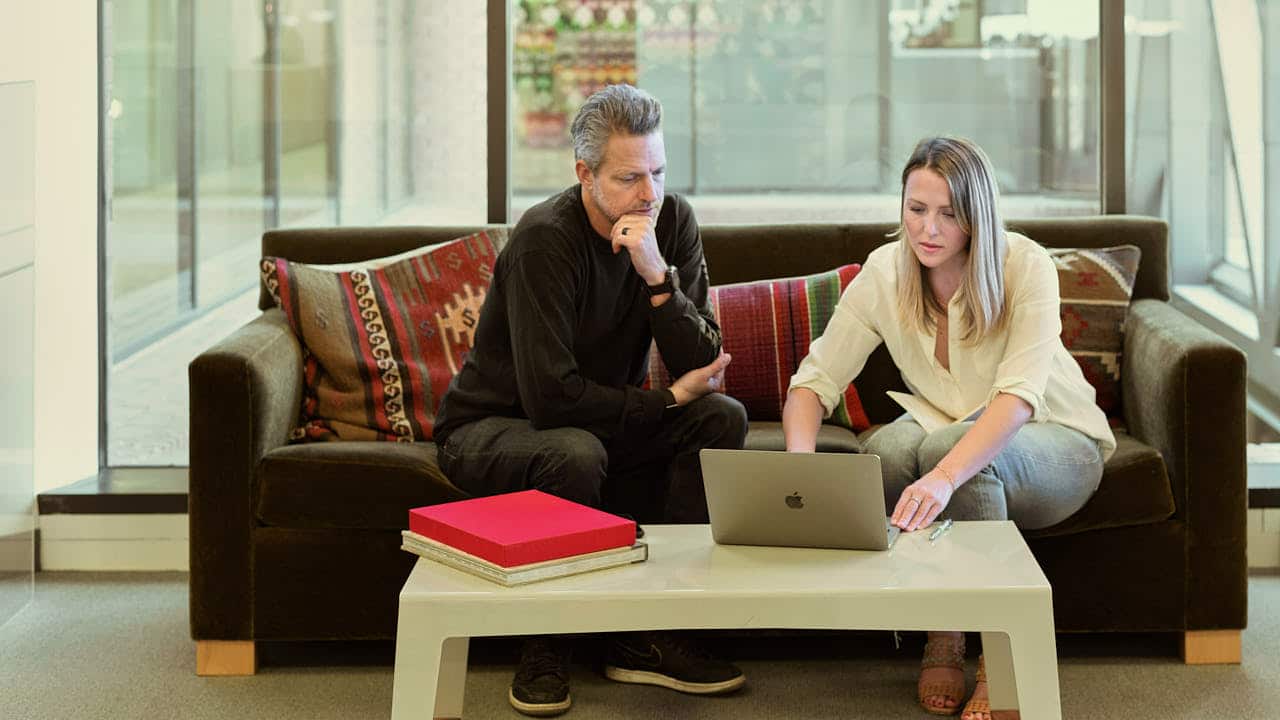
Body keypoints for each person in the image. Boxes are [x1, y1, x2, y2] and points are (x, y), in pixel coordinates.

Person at [433, 84, 748, 717]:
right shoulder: (544, 241)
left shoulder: (672, 222)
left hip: (597, 422)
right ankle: (548, 642)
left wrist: (659, 278)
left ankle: (648, 633)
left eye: (658, 172)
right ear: (585, 173)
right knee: (573, 453)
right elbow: (549, 400)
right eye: (630, 177)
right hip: (493, 426)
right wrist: (662, 404)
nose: (649, 193)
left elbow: (703, 363)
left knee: (721, 418)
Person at [782, 136, 1115, 720]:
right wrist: (800, 465)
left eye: (948, 213)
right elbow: (813, 383)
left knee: (948, 448)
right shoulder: (885, 271)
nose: (928, 229)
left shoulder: (1025, 265)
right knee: (883, 449)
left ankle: (1001, 655)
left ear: (976, 216)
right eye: (917, 210)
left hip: (1060, 435)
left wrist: (942, 477)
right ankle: (944, 629)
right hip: (949, 423)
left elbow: (1015, 401)